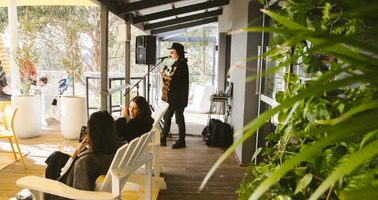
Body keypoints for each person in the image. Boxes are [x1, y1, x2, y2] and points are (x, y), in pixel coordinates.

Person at [43, 110, 120, 200]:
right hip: (97, 180)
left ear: (92, 132)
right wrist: (78, 151)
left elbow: (64, 175)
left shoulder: (84, 162)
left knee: (54, 160)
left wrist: (77, 154)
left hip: (65, 193)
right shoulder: (117, 148)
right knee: (56, 156)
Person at [159, 43, 189, 149]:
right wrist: (166, 81)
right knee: (167, 117)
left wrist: (167, 77)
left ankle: (181, 140)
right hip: (173, 96)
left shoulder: (182, 64)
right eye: (170, 52)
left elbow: (179, 79)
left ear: (178, 52)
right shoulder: (176, 63)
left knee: (179, 119)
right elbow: (173, 78)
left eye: (172, 52)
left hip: (179, 97)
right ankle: (163, 138)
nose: (170, 53)